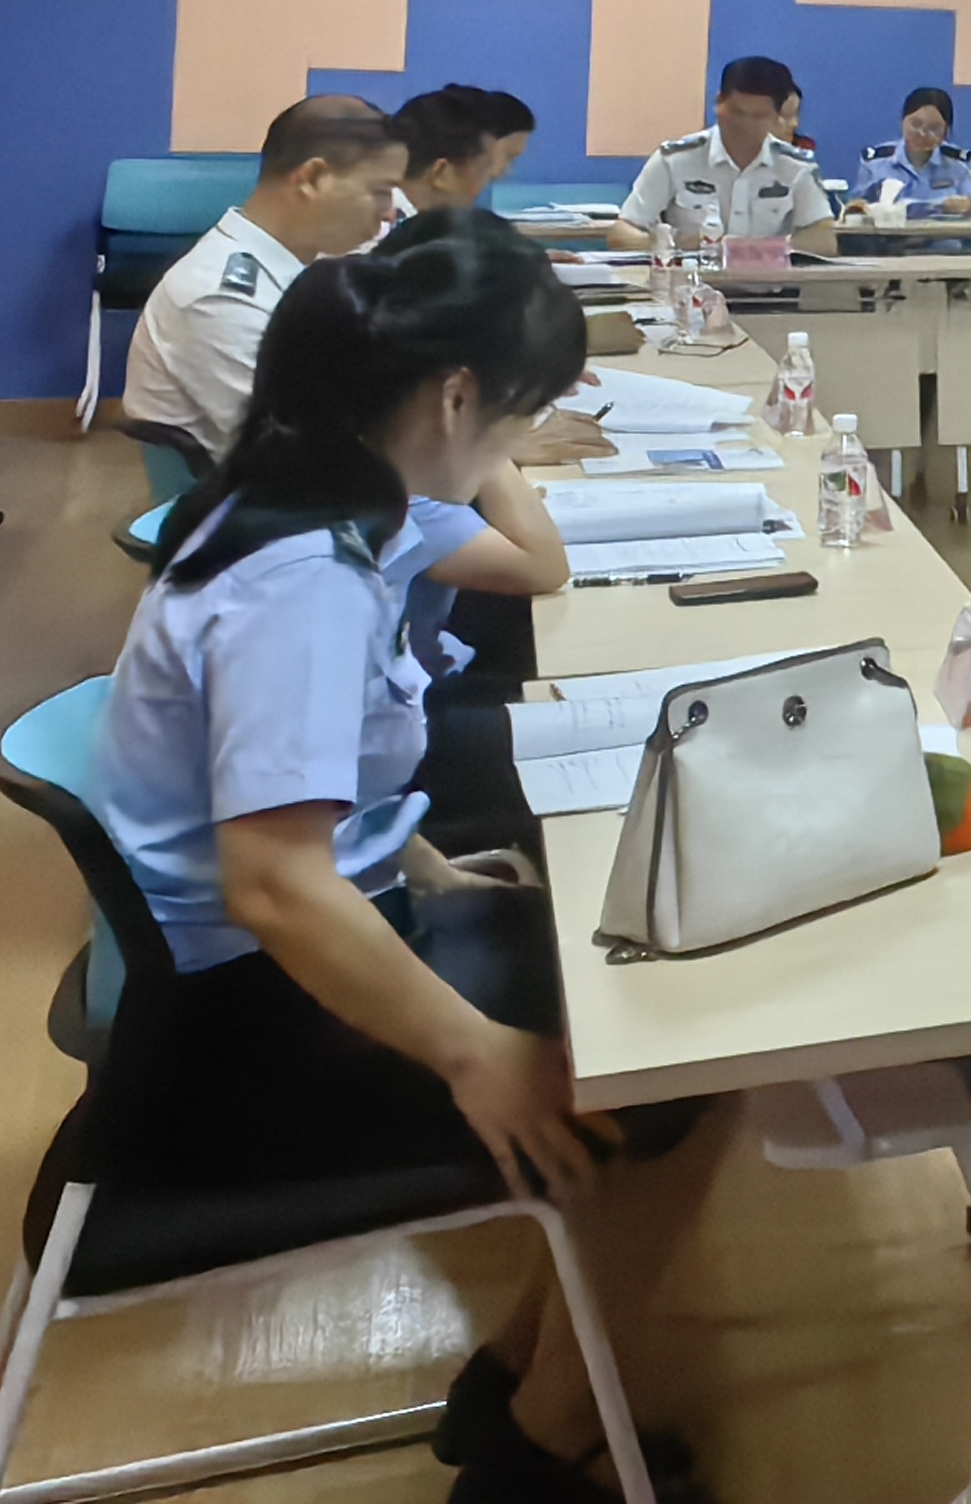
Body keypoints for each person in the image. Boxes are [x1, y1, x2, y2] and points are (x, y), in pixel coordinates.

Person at [88, 213, 725, 1500]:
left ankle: (524, 1382)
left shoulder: (320, 510)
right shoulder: (301, 582)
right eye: (518, 416)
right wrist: (474, 1052)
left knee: (654, 991)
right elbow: (275, 882)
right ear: (454, 398)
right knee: (689, 1055)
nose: (519, 443)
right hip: (245, 1037)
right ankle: (541, 1442)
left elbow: (306, 790)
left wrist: (423, 865)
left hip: (287, 959)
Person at [127, 98, 418, 462]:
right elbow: (302, 450)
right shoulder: (219, 299)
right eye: (380, 191)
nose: (390, 212)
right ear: (312, 179)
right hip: (276, 486)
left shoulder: (306, 264)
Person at [606, 55, 836, 253]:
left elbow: (823, 240)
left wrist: (758, 251)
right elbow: (622, 233)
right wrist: (672, 244)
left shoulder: (795, 166)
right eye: (736, 113)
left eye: (758, 117)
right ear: (718, 104)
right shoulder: (675, 159)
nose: (744, 125)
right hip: (689, 285)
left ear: (777, 118)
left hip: (769, 288)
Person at [391, 88, 531, 220]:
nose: (491, 177)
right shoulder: (392, 228)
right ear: (441, 172)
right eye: (484, 169)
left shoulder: (411, 223)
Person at [852, 85, 971, 218]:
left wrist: (968, 205)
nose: (922, 134)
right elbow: (856, 207)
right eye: (915, 124)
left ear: (945, 134)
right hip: (890, 230)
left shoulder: (957, 164)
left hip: (939, 231)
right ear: (902, 122)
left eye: (934, 128)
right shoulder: (876, 162)